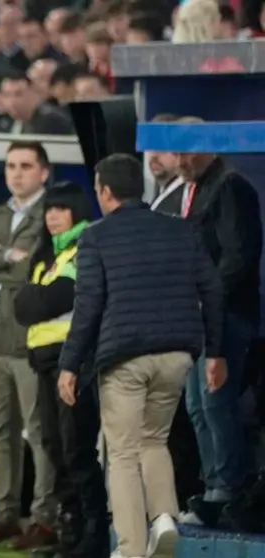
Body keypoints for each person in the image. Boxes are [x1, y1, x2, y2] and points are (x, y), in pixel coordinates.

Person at [57, 154, 225, 558]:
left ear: (105, 191)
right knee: (154, 439)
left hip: (124, 357)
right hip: (177, 355)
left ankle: (131, 547)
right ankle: (164, 518)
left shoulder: (95, 237)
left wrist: (69, 364)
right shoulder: (180, 230)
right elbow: (212, 289)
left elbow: (88, 307)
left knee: (123, 452)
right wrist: (216, 353)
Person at [0, 141, 57, 550]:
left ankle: (44, 518)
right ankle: (4, 516)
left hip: (30, 342)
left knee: (38, 432)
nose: (16, 173)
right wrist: (7, 255)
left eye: (25, 166)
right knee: (1, 432)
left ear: (44, 172)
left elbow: (32, 269)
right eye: (11, 166)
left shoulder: (51, 213)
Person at [13, 182, 108, 558]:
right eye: (49, 209)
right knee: (54, 447)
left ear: (76, 212)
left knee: (76, 449)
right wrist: (36, 300)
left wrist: (35, 299)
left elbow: (54, 299)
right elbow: (23, 307)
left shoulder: (84, 247)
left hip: (73, 362)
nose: (52, 216)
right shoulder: (47, 255)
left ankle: (93, 535)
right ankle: (70, 532)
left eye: (60, 209)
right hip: (44, 363)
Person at [177, 147, 262, 527]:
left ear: (208, 149)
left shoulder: (230, 186)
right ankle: (214, 487)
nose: (181, 161)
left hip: (227, 314)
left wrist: (207, 298)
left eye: (186, 152)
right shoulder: (202, 188)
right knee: (198, 404)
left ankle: (228, 490)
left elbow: (239, 255)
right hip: (202, 315)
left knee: (215, 401)